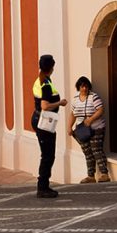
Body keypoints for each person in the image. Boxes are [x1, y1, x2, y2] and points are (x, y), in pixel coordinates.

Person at [31, 53, 67, 199]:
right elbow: (45, 106)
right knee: (48, 155)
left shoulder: (41, 80)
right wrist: (60, 103)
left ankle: (43, 185)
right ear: (51, 67)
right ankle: (42, 187)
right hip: (43, 122)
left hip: (38, 119)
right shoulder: (45, 83)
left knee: (47, 154)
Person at [68, 76, 110, 183]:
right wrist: (69, 127)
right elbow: (73, 114)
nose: (84, 88)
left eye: (86, 86)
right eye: (82, 86)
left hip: (96, 128)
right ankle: (91, 176)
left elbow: (100, 110)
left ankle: (104, 174)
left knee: (96, 150)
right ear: (78, 87)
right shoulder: (75, 99)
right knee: (87, 152)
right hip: (82, 130)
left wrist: (91, 119)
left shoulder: (93, 97)